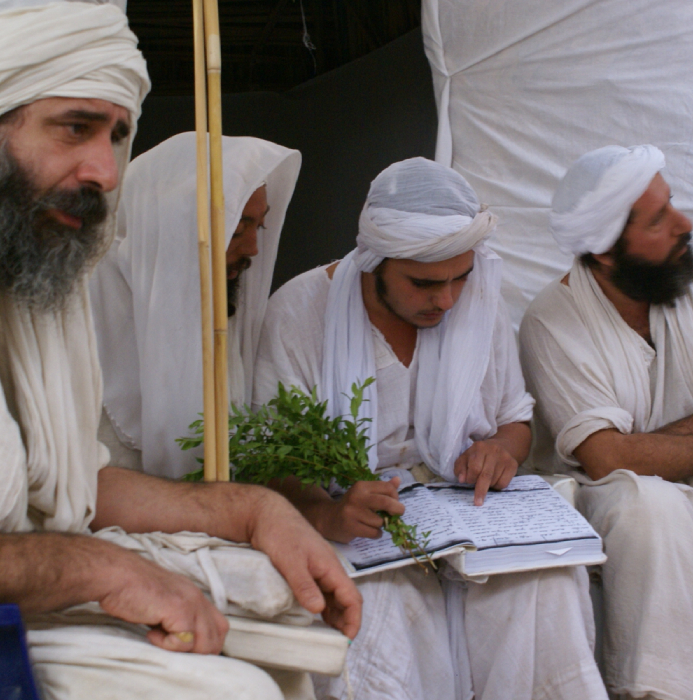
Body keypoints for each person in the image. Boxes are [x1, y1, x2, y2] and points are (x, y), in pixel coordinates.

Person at [0, 2, 361, 699]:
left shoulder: (34, 294)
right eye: (74, 127)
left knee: (282, 617)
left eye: (117, 136)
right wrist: (106, 571)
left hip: (32, 597)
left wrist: (252, 510)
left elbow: (73, 485)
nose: (104, 169)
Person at [254, 157, 608, 700]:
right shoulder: (299, 312)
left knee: (547, 584)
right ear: (374, 263)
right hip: (359, 529)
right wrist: (329, 511)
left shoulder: (477, 300)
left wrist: (499, 451)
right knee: (380, 612)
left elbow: (515, 420)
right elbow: (275, 467)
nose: (445, 300)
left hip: (468, 515)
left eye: (459, 279)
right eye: (424, 283)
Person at [520, 144, 693, 700]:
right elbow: (606, 458)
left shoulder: (680, 284)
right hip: (594, 500)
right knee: (650, 504)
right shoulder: (553, 320)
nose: (684, 223)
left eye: (673, 206)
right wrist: (631, 448)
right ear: (607, 253)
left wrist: (641, 445)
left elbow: (624, 444)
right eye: (659, 219)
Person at [90, 131, 301, 478]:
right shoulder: (81, 304)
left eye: (259, 227)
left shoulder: (220, 291)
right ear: (172, 226)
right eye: (236, 229)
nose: (253, 249)